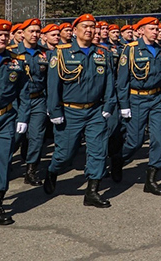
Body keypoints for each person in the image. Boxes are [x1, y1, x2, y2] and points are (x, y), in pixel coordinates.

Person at [43, 14, 117, 208]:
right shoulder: (60, 54)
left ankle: (92, 191)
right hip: (70, 112)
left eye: (92, 27)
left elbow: (110, 81)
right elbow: (53, 86)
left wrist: (109, 106)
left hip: (95, 111)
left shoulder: (103, 53)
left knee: (98, 151)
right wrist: (54, 111)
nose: (90, 30)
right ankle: (52, 171)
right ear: (74, 31)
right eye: (85, 26)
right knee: (65, 154)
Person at [114, 17, 161, 195]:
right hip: (136, 99)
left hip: (156, 99)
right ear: (141, 31)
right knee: (135, 141)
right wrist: (124, 105)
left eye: (157, 28)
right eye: (151, 28)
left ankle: (151, 180)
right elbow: (122, 81)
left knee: (158, 139)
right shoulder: (130, 50)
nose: (156, 31)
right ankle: (118, 159)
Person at [0, 19, 28, 225]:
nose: (3, 38)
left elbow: (24, 92)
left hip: (6, 118)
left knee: (3, 162)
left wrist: (22, 117)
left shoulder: (16, 61)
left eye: (6, 35)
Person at [12, 18, 49, 187]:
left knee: (37, 136)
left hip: (38, 100)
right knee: (16, 136)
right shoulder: (12, 53)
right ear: (23, 33)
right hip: (17, 102)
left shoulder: (45, 53)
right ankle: (3, 163)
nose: (35, 35)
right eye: (31, 31)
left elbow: (49, 79)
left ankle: (31, 170)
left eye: (37, 31)